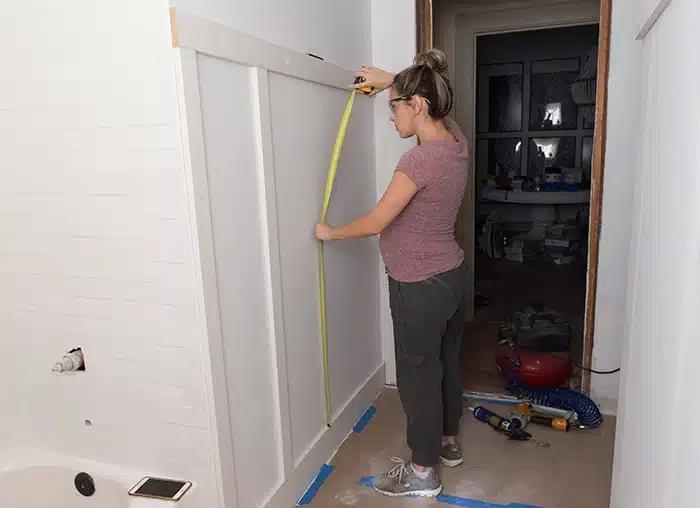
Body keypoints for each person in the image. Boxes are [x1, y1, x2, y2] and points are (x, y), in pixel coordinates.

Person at [315, 49, 469, 498]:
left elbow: (377, 221)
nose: (391, 116)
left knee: (419, 376)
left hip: (419, 285)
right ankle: (448, 443)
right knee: (445, 365)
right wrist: (391, 81)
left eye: (394, 105)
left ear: (417, 105)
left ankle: (423, 474)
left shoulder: (418, 163)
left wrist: (331, 232)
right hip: (452, 278)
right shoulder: (455, 144)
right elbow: (441, 110)